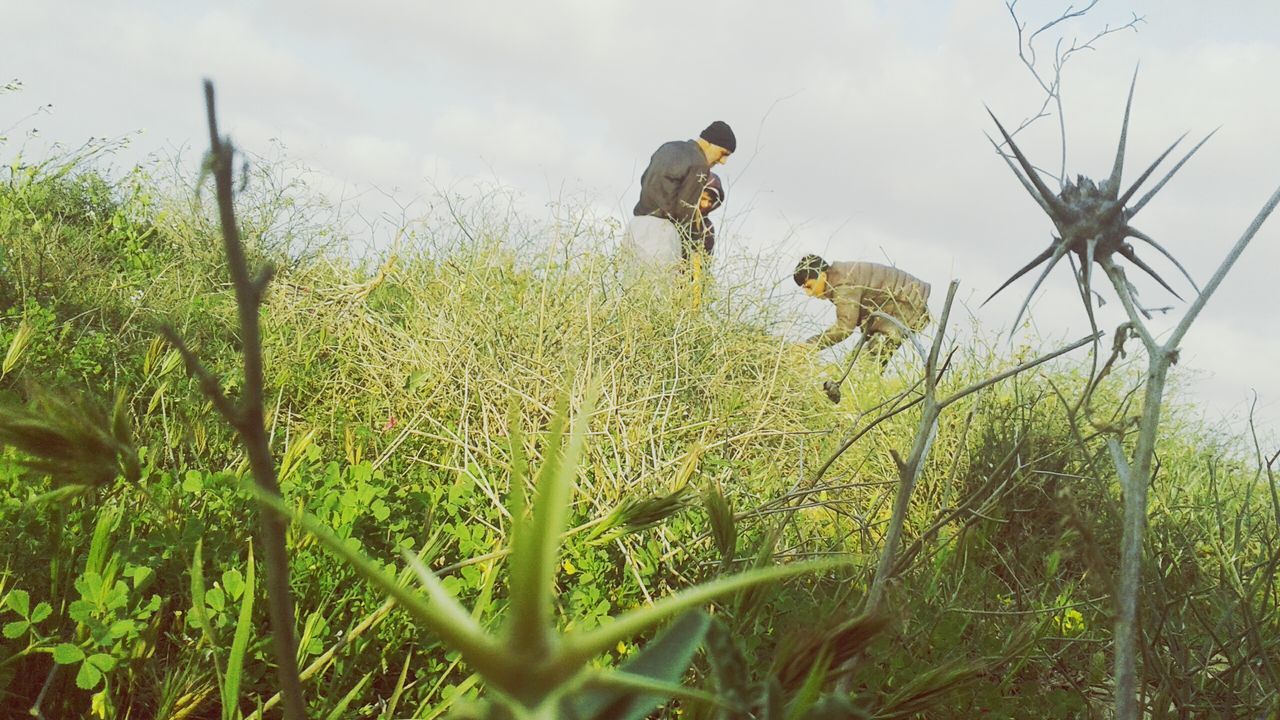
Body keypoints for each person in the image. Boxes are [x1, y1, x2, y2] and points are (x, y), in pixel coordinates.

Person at [622, 121, 736, 272]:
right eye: (723, 153)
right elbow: (685, 211)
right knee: (658, 292)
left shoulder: (667, 148)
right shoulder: (699, 164)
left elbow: (645, 179)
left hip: (634, 228)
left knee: (631, 289)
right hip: (662, 235)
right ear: (710, 142)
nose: (723, 161)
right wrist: (698, 248)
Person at [793, 254, 932, 366]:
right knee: (853, 363)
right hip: (895, 311)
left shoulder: (844, 284)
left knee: (865, 366)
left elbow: (844, 328)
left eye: (809, 287)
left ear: (822, 276)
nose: (809, 294)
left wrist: (810, 345)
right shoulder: (840, 276)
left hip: (907, 308)